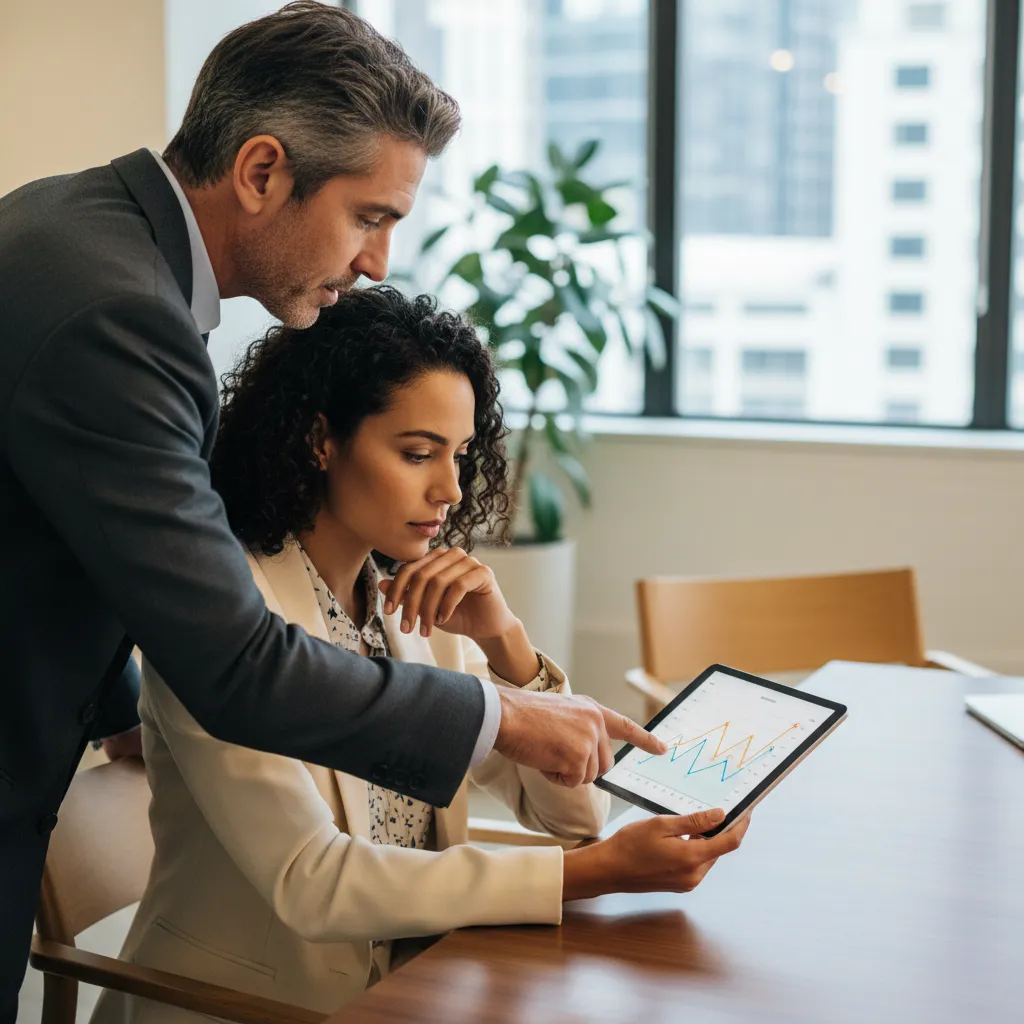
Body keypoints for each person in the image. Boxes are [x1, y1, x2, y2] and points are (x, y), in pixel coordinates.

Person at [0, 5, 665, 1020]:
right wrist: (507, 711)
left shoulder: (76, 230)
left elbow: (53, 533)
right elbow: (235, 668)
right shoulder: (122, 313)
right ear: (262, 172)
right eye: (369, 216)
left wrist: (129, 698)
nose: (377, 263)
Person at [90, 287, 749, 1022]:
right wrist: (586, 877)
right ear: (320, 439)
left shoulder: (414, 607)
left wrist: (505, 644)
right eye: (416, 453)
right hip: (245, 1006)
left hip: (421, 990)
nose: (450, 488)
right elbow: (316, 882)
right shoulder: (225, 618)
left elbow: (574, 816)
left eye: (460, 454)